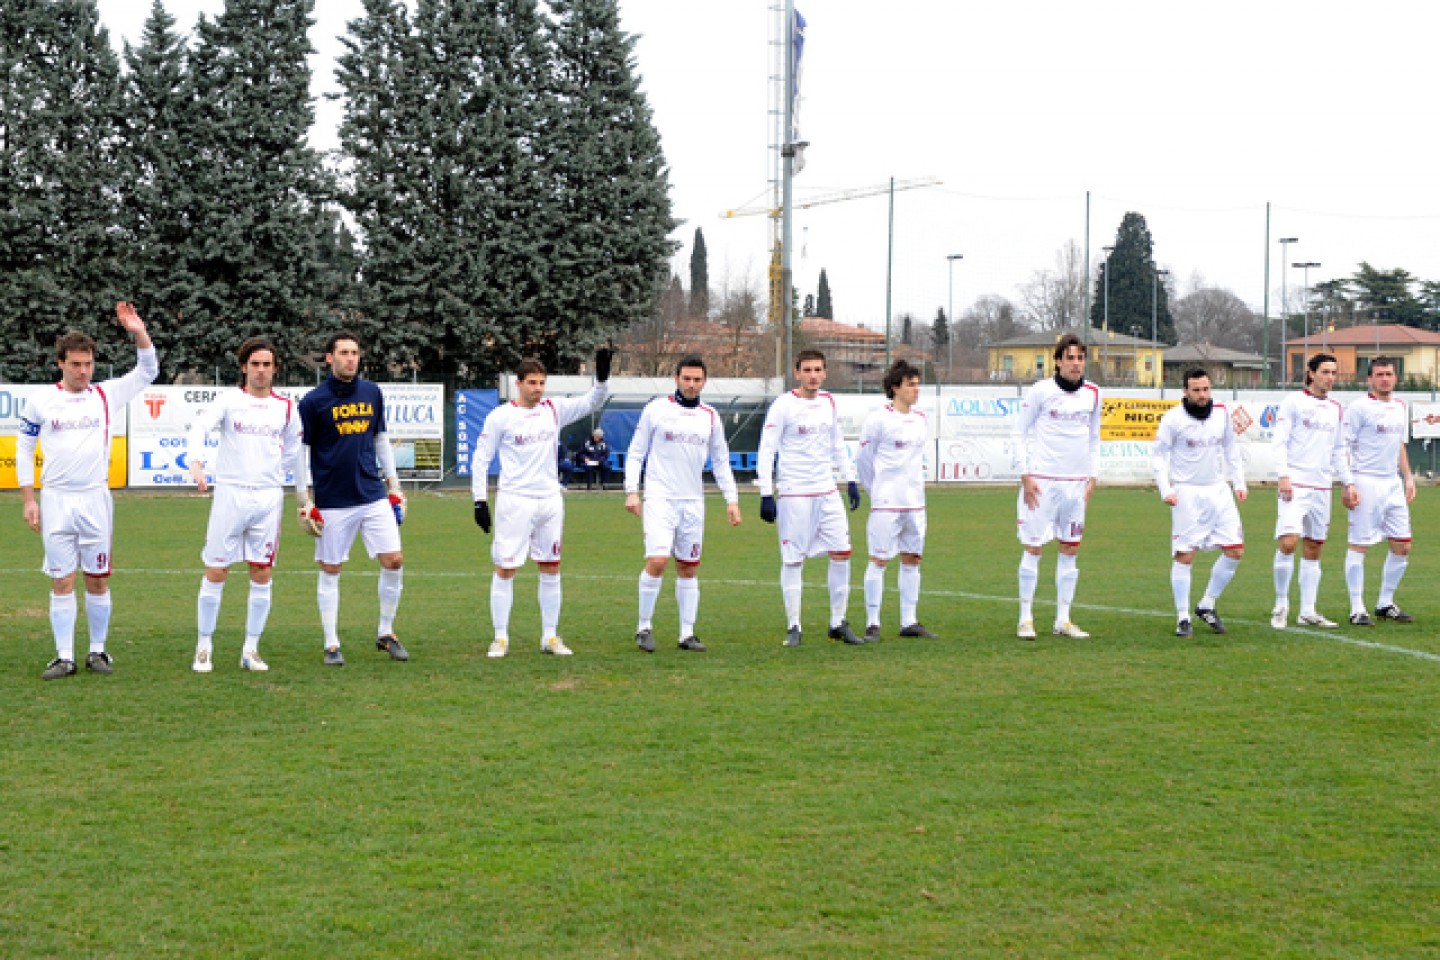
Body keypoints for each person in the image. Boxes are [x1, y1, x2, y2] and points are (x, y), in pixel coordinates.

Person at [17, 303, 158, 680]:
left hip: (96, 499)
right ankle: (64, 656)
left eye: (89, 364)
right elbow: (24, 448)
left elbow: (149, 370)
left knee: (97, 578)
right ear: (61, 363)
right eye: (76, 364)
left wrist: (138, 331)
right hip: (57, 500)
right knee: (62, 580)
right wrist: (29, 499)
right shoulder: (40, 401)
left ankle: (98, 650)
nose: (83, 371)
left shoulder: (106, 395)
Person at [472, 347, 612, 657]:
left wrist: (601, 378)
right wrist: (479, 501)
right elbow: (481, 459)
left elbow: (592, 401)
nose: (538, 389)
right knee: (506, 568)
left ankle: (550, 637)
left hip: (549, 500)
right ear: (518, 384)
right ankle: (500, 638)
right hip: (515, 501)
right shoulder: (501, 417)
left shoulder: (553, 409)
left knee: (551, 567)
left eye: (541, 382)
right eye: (532, 382)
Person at [185, 337, 302, 672]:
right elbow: (200, 427)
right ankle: (203, 646)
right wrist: (196, 461)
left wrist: (282, 475)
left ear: (275, 368)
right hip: (231, 494)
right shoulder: (229, 401)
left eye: (267, 364)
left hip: (268, 497)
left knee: (261, 570)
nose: (261, 371)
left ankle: (251, 649)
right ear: (244, 367)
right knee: (217, 569)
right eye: (255, 364)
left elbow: (295, 447)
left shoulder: (286, 408)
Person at [295, 330, 410, 666]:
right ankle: (331, 643)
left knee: (394, 560)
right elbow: (299, 451)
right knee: (331, 568)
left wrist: (394, 485)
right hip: (332, 500)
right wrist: (305, 499)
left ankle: (386, 633)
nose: (350, 358)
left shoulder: (372, 393)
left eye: (355, 352)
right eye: (343, 352)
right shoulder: (313, 401)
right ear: (329, 358)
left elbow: (381, 439)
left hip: (372, 494)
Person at [624, 355, 742, 653]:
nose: (691, 385)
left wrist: (732, 499)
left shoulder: (710, 416)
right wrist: (631, 490)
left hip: (693, 501)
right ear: (676, 378)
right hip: (660, 497)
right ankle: (643, 626)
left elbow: (721, 460)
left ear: (704, 382)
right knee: (658, 560)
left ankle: (686, 633)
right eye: (686, 379)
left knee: (688, 567)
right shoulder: (656, 410)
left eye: (697, 380)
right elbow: (636, 452)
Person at [757, 349, 863, 647]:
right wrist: (766, 493)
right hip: (795, 493)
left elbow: (837, 444)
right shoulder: (783, 405)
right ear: (797, 372)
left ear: (825, 373)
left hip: (827, 491)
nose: (813, 375)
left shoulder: (829, 402)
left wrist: (850, 478)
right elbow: (767, 450)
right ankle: (794, 625)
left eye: (818, 370)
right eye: (807, 370)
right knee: (793, 560)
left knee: (842, 552)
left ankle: (838, 622)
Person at [1013, 333, 1101, 640]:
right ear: (1058, 361)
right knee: (1034, 546)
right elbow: (1018, 433)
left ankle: (1063, 620)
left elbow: (1094, 438)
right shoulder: (1040, 391)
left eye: (1080, 358)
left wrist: (1093, 477)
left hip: (1076, 485)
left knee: (1070, 548)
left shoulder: (1093, 393)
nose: (1076, 364)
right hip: (1042, 481)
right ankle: (1026, 618)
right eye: (1070, 358)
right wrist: (1025, 475)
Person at [1151, 369, 1247, 637]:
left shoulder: (1222, 414)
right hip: (1187, 494)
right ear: (1185, 391)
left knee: (1235, 550)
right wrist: (1165, 489)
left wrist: (1238, 483)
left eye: (1206, 389)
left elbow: (1231, 449)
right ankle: (1182, 617)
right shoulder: (1172, 419)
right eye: (1196, 390)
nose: (1202, 395)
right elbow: (1158, 457)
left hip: (1218, 491)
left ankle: (1207, 604)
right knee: (1185, 554)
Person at [1270, 352, 1357, 629]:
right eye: (1325, 372)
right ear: (1311, 373)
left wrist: (1348, 482)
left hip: (1322, 486)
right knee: (1288, 542)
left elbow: (1338, 450)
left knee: (1314, 546)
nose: (1330, 378)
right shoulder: (1293, 402)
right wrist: (1283, 475)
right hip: (1295, 483)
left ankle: (1308, 610)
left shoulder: (1336, 409)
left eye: (1334, 373)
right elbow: (1280, 442)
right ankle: (1281, 604)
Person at [856, 359, 935, 642]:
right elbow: (864, 459)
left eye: (917, 384)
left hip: (915, 501)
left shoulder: (921, 419)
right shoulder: (878, 420)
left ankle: (909, 621)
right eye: (910, 385)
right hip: (886, 502)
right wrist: (874, 490)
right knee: (879, 559)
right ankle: (873, 623)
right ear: (894, 388)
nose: (916, 390)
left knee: (912, 558)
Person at [1343, 357, 1416, 626]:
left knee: (1402, 544)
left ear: (1396, 378)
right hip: (1366, 481)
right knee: (1359, 544)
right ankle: (1356, 607)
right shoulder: (1359, 408)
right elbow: (1345, 447)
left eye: (1389, 374)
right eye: (1379, 374)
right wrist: (1348, 483)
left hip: (1392, 483)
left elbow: (1399, 444)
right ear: (1370, 379)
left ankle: (1385, 603)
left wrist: (1408, 478)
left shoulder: (1399, 406)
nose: (1384, 379)